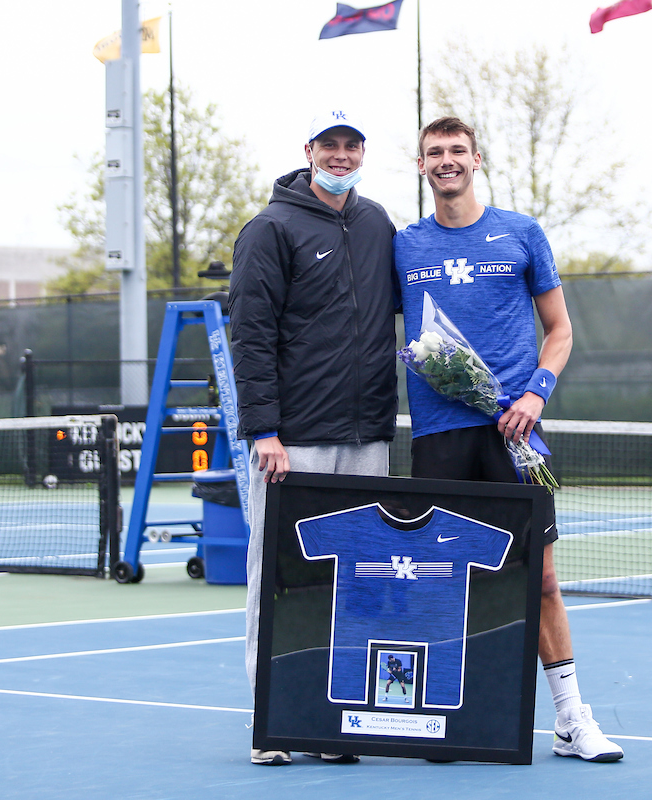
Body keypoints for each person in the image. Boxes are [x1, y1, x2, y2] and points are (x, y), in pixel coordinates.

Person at [393, 116, 624, 763]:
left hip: (525, 439)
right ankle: (441, 717)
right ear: (421, 166)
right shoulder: (404, 245)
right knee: (443, 579)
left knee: (545, 579)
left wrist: (534, 394)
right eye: (435, 153)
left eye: (457, 151)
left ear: (477, 158)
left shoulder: (522, 233)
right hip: (437, 440)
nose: (447, 161)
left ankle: (573, 721)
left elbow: (561, 330)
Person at [229, 108, 398, 767]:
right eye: (329, 144)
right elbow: (251, 335)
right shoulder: (271, 227)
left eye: (351, 143)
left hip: (367, 437)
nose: (340, 154)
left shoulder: (377, 221)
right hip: (293, 442)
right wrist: (265, 431)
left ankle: (332, 719)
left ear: (362, 151)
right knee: (278, 577)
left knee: (354, 580)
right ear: (308, 150)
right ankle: (272, 717)